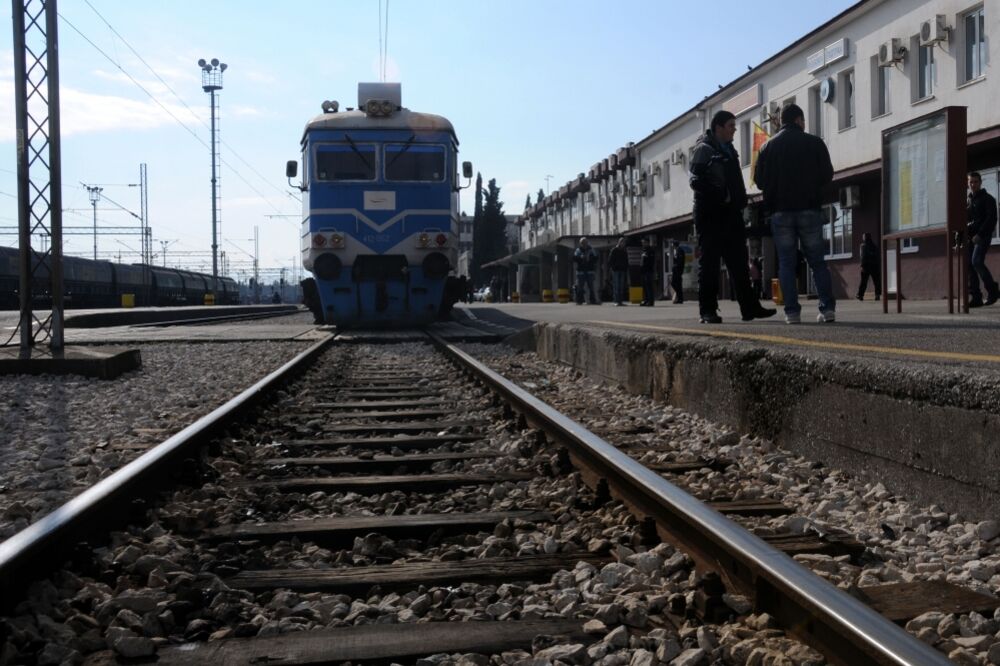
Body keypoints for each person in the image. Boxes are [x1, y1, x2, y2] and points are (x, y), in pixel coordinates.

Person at [689, 110, 776, 324]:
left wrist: (739, 198)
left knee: (739, 263)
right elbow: (695, 180)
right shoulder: (704, 149)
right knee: (709, 264)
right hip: (710, 215)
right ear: (718, 127)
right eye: (731, 126)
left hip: (731, 215)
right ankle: (707, 310)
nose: (734, 130)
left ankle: (750, 308)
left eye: (735, 126)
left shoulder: (730, 150)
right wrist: (723, 195)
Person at [754, 103, 835, 324]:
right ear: (799, 120)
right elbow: (828, 174)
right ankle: (827, 309)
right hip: (809, 208)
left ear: (781, 122)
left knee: (787, 264)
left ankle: (792, 313)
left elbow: (759, 181)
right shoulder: (815, 143)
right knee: (817, 261)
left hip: (780, 212)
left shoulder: (767, 147)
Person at [966, 171, 999, 307]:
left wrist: (979, 235)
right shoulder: (968, 201)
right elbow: (966, 221)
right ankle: (976, 298)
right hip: (970, 238)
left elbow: (991, 219)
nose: (973, 184)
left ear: (980, 182)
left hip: (982, 237)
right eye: (971, 182)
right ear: (968, 184)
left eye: (976, 182)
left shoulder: (988, 199)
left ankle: (993, 291)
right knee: (969, 265)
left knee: (977, 261)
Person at [573, 237, 599, 305]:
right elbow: (574, 258)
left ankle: (593, 300)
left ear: (587, 243)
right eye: (582, 243)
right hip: (580, 271)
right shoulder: (578, 250)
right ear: (580, 244)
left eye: (585, 242)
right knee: (580, 287)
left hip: (590, 271)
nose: (584, 244)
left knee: (591, 287)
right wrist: (580, 258)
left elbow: (596, 258)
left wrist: (589, 259)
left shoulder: (591, 249)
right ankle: (579, 301)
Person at [856, 233, 881, 301]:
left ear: (865, 238)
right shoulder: (874, 246)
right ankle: (877, 295)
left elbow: (862, 256)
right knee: (876, 281)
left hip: (866, 266)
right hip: (875, 266)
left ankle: (860, 295)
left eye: (863, 237)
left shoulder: (863, 246)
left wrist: (862, 265)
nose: (863, 238)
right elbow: (877, 256)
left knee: (863, 282)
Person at [608, 237, 629, 306]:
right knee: (616, 286)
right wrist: (613, 267)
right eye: (622, 242)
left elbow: (626, 261)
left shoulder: (624, 251)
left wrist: (625, 268)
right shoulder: (614, 250)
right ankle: (616, 301)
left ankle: (620, 301)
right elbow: (610, 260)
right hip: (616, 270)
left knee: (621, 286)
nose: (623, 243)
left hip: (622, 270)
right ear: (619, 242)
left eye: (624, 242)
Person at [640, 239, 656, 306]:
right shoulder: (644, 250)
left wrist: (647, 268)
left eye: (644, 242)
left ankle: (650, 301)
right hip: (644, 271)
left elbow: (651, 262)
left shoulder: (650, 250)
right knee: (645, 287)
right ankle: (646, 300)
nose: (643, 244)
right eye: (642, 243)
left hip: (649, 271)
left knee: (649, 287)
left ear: (647, 243)